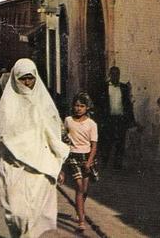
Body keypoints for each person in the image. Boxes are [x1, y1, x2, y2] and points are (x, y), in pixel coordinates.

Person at [0, 58, 69, 237]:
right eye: (22, 79)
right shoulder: (7, 105)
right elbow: (2, 133)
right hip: (15, 165)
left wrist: (59, 167)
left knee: (38, 215)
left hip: (42, 168)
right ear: (14, 79)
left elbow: (54, 136)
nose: (27, 83)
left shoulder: (45, 103)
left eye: (30, 78)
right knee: (17, 212)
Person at [60, 93, 98, 233]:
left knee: (85, 189)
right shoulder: (68, 121)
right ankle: (81, 221)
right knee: (79, 186)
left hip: (87, 157)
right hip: (73, 157)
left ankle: (79, 208)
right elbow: (63, 141)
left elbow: (94, 145)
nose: (78, 109)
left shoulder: (91, 124)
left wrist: (89, 162)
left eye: (82, 106)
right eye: (76, 105)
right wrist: (62, 167)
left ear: (87, 108)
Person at [99, 66, 136, 170]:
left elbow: (128, 105)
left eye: (117, 74)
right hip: (108, 119)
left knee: (120, 142)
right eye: (113, 74)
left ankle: (117, 164)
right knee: (107, 141)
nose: (115, 76)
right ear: (109, 75)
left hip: (120, 119)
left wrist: (131, 120)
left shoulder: (124, 87)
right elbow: (100, 105)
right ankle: (105, 161)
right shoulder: (103, 88)